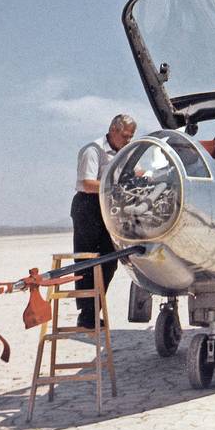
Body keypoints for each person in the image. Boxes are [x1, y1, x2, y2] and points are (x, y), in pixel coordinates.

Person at [71, 114, 136, 329]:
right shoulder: (93, 150)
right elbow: (87, 183)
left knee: (109, 261)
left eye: (131, 137)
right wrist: (113, 187)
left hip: (107, 207)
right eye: (126, 136)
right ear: (113, 130)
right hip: (88, 207)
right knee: (87, 261)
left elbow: (130, 172)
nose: (128, 140)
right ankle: (86, 314)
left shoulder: (122, 153)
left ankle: (94, 309)